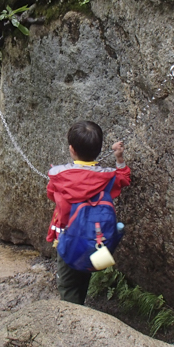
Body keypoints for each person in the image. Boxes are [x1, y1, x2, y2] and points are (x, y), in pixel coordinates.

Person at [46, 121, 131, 305]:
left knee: (67, 284)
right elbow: (124, 178)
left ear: (71, 149)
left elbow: (51, 194)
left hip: (67, 239)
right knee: (84, 272)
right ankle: (81, 303)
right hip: (94, 239)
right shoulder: (108, 178)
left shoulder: (60, 177)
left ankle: (72, 312)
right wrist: (119, 157)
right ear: (99, 149)